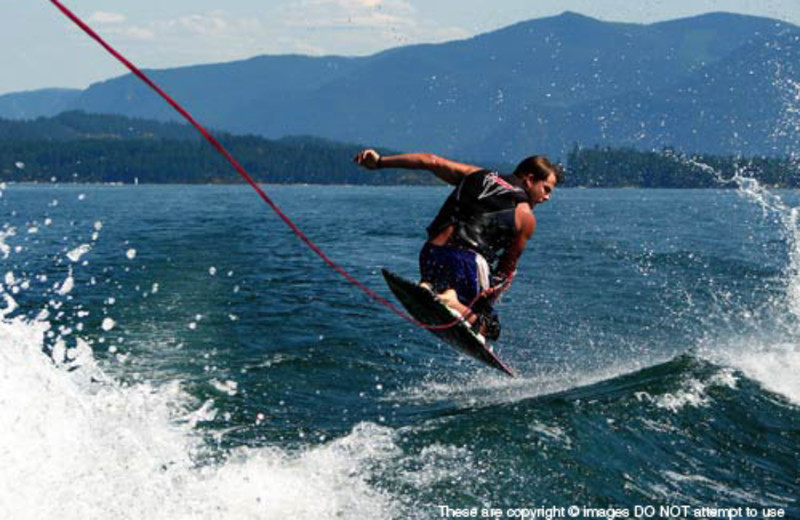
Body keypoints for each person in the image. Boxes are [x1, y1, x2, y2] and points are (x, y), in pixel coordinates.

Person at [354, 149, 563, 340]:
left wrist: (380, 162)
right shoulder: (525, 216)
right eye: (546, 189)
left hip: (431, 255)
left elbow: (430, 161)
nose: (547, 197)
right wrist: (484, 306)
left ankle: (432, 286)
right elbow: (506, 270)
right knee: (491, 328)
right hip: (467, 265)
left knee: (444, 276)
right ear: (529, 180)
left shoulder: (477, 174)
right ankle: (452, 299)